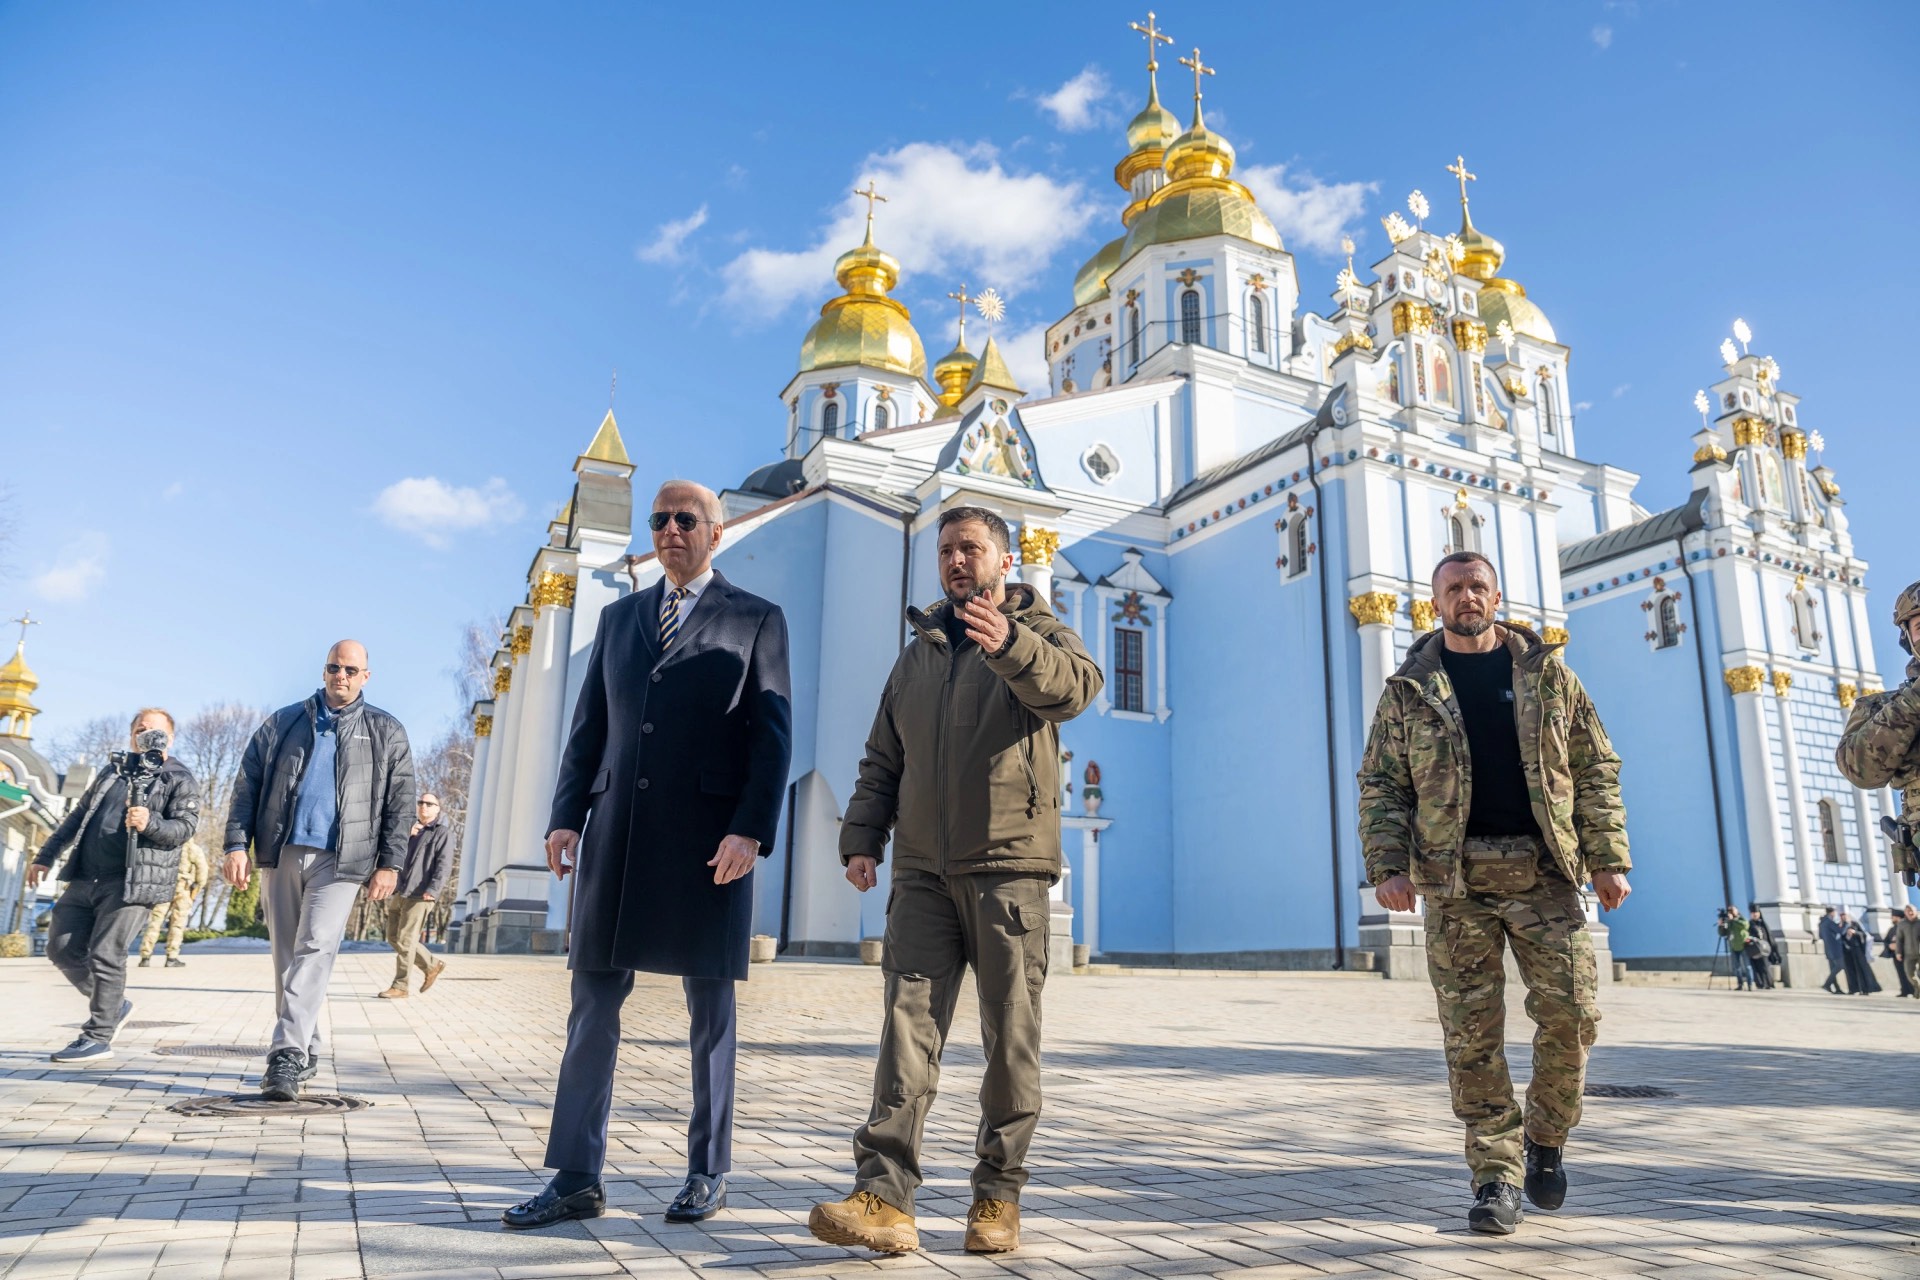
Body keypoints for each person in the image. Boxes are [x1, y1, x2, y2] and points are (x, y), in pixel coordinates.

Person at [808, 506, 1102, 1257]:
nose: (955, 560)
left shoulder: (1040, 633)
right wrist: (862, 838)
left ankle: (997, 1196)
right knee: (906, 1032)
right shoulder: (918, 655)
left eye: (970, 547)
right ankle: (883, 1195)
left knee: (1011, 1040)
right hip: (922, 874)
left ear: (1004, 561)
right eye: (945, 549)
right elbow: (884, 757)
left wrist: (1010, 648)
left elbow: (1075, 689)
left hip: (1009, 869)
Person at [504, 481, 792, 1231]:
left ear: (715, 531)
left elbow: (772, 737)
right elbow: (587, 726)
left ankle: (707, 1169)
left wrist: (750, 829)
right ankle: (574, 1175)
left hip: (709, 844)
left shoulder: (757, 619)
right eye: (659, 519)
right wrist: (567, 816)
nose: (669, 529)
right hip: (619, 836)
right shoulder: (620, 617)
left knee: (711, 1012)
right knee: (592, 1005)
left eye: (684, 519)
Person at [1358, 552, 1630, 1236]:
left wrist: (1607, 858)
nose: (1466, 597)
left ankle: (1546, 1134)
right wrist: (1387, 865)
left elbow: (1596, 767)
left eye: (1477, 586)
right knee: (1471, 1039)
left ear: (1497, 595)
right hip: (1456, 884)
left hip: (1545, 875)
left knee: (1574, 1015)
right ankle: (1495, 1176)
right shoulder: (1409, 690)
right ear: (1436, 602)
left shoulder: (1549, 675)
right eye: (1453, 589)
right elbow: (1382, 784)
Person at [222, 640, 415, 1100]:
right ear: (324, 670)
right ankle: (306, 1047)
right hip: (282, 850)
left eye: (351, 669)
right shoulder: (284, 721)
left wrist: (390, 863)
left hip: (342, 861)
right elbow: (247, 785)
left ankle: (284, 1057)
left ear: (366, 675)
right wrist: (235, 844)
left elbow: (401, 802)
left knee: (315, 948)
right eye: (333, 667)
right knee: (285, 959)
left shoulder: (387, 731)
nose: (341, 676)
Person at [29, 709, 201, 1062]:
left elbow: (184, 828)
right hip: (85, 875)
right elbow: (78, 817)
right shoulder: (114, 770)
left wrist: (150, 821)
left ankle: (98, 1035)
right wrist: (45, 856)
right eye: (140, 730)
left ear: (170, 738)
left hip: (133, 880)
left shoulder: (177, 778)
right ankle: (114, 1005)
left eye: (155, 731)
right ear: (131, 736)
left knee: (107, 954)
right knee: (60, 948)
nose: (146, 735)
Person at [1836, 580, 1920, 876]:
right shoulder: (1880, 708)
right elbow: (1860, 770)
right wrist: (1914, 701)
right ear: (1907, 639)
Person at [378, 793, 451, 999]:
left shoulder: (441, 833)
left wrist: (434, 889)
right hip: (401, 890)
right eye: (421, 802)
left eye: (430, 804)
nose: (424, 806)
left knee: (406, 939)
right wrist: (405, 835)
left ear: (438, 809)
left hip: (422, 893)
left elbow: (444, 865)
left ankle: (400, 986)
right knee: (393, 937)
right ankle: (431, 965)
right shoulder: (410, 831)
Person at [138, 839, 210, 968]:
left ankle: (145, 956)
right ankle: (172, 957)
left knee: (155, 922)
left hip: (163, 887)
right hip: (183, 888)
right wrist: (195, 891)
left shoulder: (165, 845)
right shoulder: (193, 849)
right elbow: (202, 872)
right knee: (177, 924)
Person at [1838, 912, 1881, 995]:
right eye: (1842, 916)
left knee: (1861, 969)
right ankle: (1853, 989)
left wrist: (1854, 932)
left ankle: (1865, 989)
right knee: (1850, 970)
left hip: (1857, 950)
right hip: (1847, 952)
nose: (1844, 918)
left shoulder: (1855, 924)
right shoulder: (1840, 926)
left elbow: (1863, 935)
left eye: (1845, 916)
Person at [1719, 907, 1751, 990]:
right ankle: (1740, 984)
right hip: (1733, 946)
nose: (1731, 913)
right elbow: (1723, 933)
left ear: (1736, 911)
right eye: (1729, 911)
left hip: (1744, 945)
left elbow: (1745, 926)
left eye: (1732, 911)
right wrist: (1720, 925)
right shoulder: (1729, 921)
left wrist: (1733, 920)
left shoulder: (1741, 918)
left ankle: (1750, 984)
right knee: (1737, 967)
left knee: (1747, 966)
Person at [1891, 904, 1920, 997]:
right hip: (1909, 953)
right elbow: (1899, 939)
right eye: (1908, 911)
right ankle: (1918, 987)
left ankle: (1917, 993)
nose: (1910, 913)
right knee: (1909, 974)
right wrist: (1898, 952)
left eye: (1912, 911)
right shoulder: (1902, 924)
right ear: (1905, 913)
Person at [1746, 908, 1776, 989]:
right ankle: (1760, 983)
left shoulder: (1763, 924)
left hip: (1764, 948)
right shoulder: (1749, 924)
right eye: (1753, 913)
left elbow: (1769, 936)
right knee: (1756, 966)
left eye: (1756, 912)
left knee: (1765, 966)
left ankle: (1768, 983)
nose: (1755, 914)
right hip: (1754, 948)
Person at [1818, 906, 1845, 995]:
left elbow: (1820, 936)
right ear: (1832, 913)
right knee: (1840, 965)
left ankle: (1837, 988)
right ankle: (1827, 984)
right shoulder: (1830, 922)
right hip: (1835, 948)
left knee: (1833, 968)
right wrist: (1843, 924)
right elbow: (1840, 931)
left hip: (1827, 949)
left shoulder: (1821, 923)